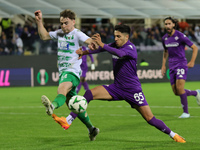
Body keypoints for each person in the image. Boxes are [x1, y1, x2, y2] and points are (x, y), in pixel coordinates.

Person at [52, 24, 186, 143]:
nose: (115, 38)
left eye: (118, 36)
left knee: (150, 118)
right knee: (89, 94)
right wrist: (84, 52)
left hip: (133, 90)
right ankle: (68, 120)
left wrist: (103, 44)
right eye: (115, 36)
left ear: (126, 37)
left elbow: (120, 54)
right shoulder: (115, 45)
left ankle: (173, 135)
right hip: (116, 88)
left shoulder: (130, 48)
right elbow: (101, 49)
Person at [34, 9, 99, 141]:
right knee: (73, 104)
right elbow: (44, 36)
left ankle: (52, 106)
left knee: (61, 89)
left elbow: (89, 41)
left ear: (73, 22)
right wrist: (39, 21)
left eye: (66, 23)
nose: (63, 26)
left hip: (72, 72)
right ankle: (92, 129)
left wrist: (92, 44)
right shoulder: (59, 33)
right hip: (63, 71)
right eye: (62, 23)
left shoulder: (77, 34)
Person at [161, 17, 200, 119]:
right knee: (176, 92)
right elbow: (165, 52)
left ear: (174, 24)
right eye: (166, 24)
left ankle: (186, 112)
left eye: (169, 24)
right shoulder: (164, 38)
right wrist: (163, 65)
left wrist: (192, 62)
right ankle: (196, 93)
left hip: (181, 64)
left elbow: (195, 48)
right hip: (171, 66)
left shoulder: (180, 36)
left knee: (180, 88)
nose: (167, 26)